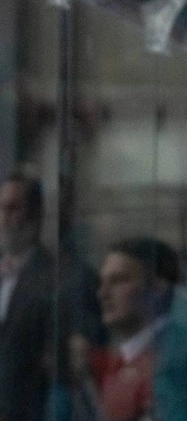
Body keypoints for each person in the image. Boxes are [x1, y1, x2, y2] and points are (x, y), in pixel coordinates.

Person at [91, 238, 187, 420]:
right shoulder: (131, 355)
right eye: (102, 281)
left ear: (158, 288)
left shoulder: (178, 354)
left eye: (119, 280)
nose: (103, 293)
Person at [0, 170, 54, 421]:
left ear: (35, 214)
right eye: (1, 208)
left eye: (13, 208)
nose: (4, 217)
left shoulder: (53, 277)